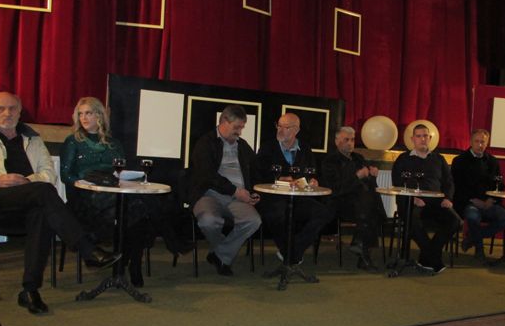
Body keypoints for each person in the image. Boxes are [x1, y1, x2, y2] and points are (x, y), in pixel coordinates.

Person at [0, 92, 120, 315]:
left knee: (41, 212)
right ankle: (87, 249)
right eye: (1, 108)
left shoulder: (33, 139)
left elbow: (48, 173)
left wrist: (27, 182)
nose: (7, 113)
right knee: (43, 194)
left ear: (20, 112)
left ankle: (30, 291)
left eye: (12, 108)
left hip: (27, 200)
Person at [60, 97, 191, 287]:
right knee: (142, 209)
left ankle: (130, 264)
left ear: (99, 115)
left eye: (88, 113)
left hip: (113, 193)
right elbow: (65, 175)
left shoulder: (113, 143)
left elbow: (120, 173)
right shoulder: (73, 141)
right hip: (86, 197)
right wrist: (86, 181)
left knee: (139, 211)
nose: (84, 118)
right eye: (80, 114)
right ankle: (166, 244)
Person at [188, 105, 262, 276]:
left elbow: (256, 172)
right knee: (208, 221)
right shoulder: (205, 143)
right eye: (237, 127)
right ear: (224, 121)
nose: (240, 132)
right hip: (208, 194)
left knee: (253, 221)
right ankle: (224, 254)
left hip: (238, 197)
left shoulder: (242, 146)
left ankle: (220, 255)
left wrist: (254, 192)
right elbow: (207, 175)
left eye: (242, 127)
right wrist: (235, 191)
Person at [256, 113, 333, 266]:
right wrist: (278, 180)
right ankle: (290, 254)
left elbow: (313, 173)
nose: (280, 130)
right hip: (274, 198)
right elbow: (258, 174)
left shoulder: (305, 149)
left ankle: (292, 250)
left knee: (323, 212)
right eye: (279, 126)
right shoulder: (267, 148)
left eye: (286, 127)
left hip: (299, 198)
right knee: (277, 214)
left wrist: (314, 180)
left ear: (296, 130)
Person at [391, 123, 460, 274]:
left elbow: (449, 182)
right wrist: (413, 198)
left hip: (435, 203)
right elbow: (397, 183)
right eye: (419, 136)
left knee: (454, 220)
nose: (422, 139)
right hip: (410, 202)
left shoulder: (439, 159)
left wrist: (448, 198)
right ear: (412, 139)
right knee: (413, 220)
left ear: (430, 138)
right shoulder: (403, 159)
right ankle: (433, 258)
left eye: (425, 136)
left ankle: (427, 256)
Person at [321, 126, 386, 271]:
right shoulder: (330, 161)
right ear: (337, 141)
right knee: (371, 208)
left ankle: (361, 248)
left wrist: (372, 175)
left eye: (352, 140)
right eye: (346, 140)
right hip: (341, 203)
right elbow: (335, 189)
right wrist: (357, 176)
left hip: (361, 205)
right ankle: (360, 248)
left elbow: (368, 183)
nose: (350, 143)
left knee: (368, 206)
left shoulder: (358, 158)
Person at [451, 129, 505, 262]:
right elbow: (456, 186)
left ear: (487, 143)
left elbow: (499, 185)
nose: (479, 145)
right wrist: (473, 200)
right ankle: (479, 250)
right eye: (477, 141)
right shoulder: (460, 160)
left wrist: (491, 199)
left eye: (482, 142)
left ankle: (472, 237)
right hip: (468, 202)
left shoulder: (492, 161)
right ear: (471, 142)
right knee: (473, 216)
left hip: (489, 203)